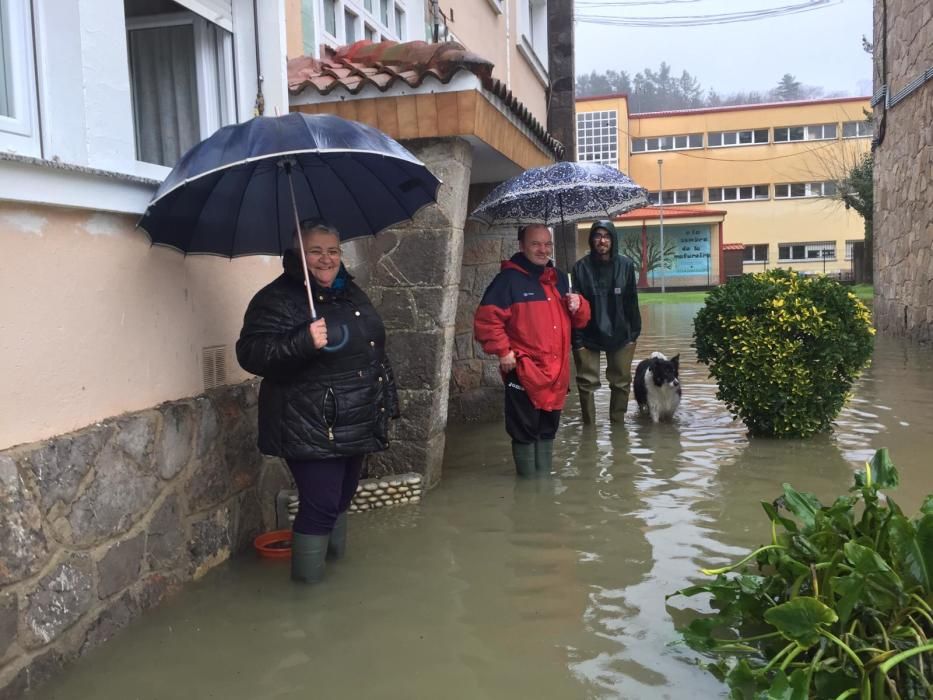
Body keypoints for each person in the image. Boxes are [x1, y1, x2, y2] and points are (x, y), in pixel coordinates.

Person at [236, 221, 399, 584]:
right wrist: (301, 341)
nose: (326, 259)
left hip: (356, 414)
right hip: (309, 419)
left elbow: (373, 346)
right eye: (315, 251)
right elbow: (250, 354)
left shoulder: (351, 292)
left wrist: (384, 401)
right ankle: (308, 596)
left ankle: (334, 577)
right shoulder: (275, 299)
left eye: (333, 250)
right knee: (321, 503)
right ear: (297, 254)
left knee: (342, 498)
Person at [474, 224, 591, 477]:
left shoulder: (560, 279)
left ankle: (543, 487)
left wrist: (579, 304)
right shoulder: (507, 280)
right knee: (524, 431)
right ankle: (528, 489)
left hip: (557, 372)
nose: (543, 249)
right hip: (524, 370)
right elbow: (486, 321)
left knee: (548, 429)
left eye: (547, 244)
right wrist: (503, 351)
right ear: (521, 246)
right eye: (535, 244)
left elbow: (581, 321)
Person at [571, 220, 641, 424]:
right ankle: (589, 427)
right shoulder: (580, 268)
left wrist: (633, 334)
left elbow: (631, 301)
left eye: (607, 236)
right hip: (587, 334)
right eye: (597, 235)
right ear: (592, 239)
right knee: (586, 383)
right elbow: (576, 307)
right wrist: (577, 340)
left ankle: (618, 427)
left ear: (613, 239)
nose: (602, 240)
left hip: (621, 334)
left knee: (621, 383)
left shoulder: (626, 265)